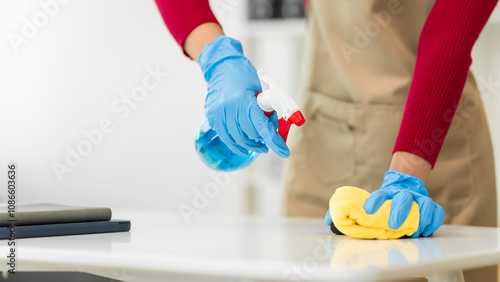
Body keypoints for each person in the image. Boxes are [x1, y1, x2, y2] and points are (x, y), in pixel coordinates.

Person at [154, 0, 499, 280]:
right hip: (324, 147)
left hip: (432, 150)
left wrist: (408, 171)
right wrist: (217, 56)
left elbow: (450, 33)